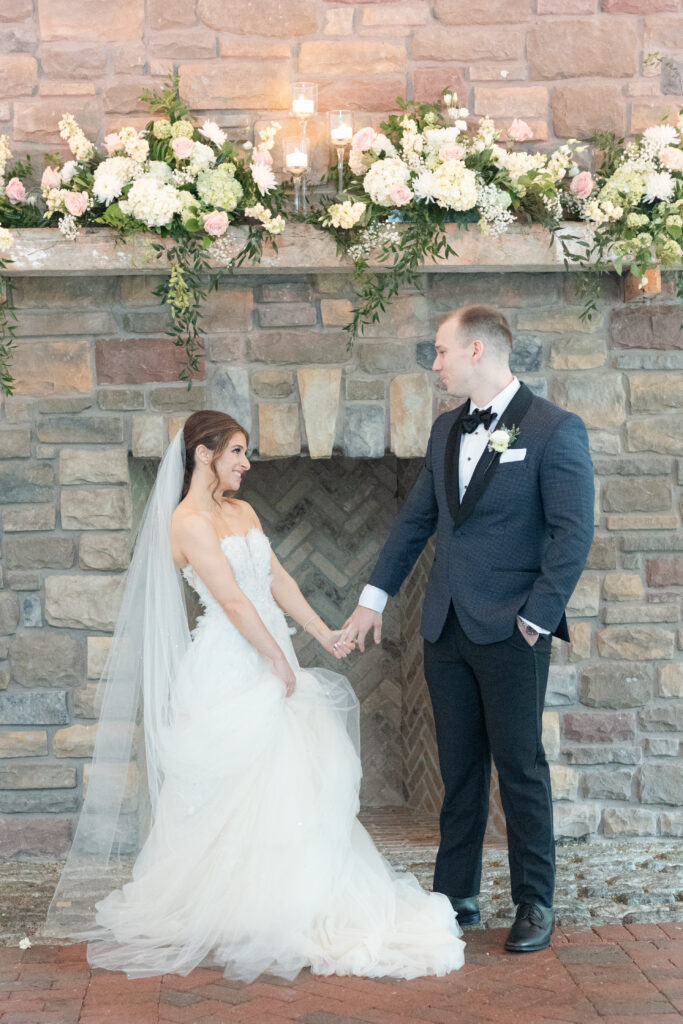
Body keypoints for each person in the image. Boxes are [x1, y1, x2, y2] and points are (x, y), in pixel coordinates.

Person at [46, 410, 464, 982]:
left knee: (289, 781)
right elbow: (234, 602)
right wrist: (272, 656)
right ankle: (231, 909)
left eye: (247, 452)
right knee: (235, 786)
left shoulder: (241, 510)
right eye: (237, 451)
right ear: (204, 454)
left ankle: (287, 898)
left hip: (271, 652)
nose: (247, 463)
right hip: (230, 661)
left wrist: (324, 635)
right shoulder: (188, 522)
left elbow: (276, 581)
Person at [341, 304, 594, 953]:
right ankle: (456, 894)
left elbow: (572, 534)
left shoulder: (552, 430)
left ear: (476, 351)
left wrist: (535, 619)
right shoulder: (445, 430)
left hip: (513, 630)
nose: (435, 363)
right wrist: (373, 599)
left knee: (519, 768)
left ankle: (534, 901)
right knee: (459, 773)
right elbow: (415, 523)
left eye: (440, 350)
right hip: (445, 627)